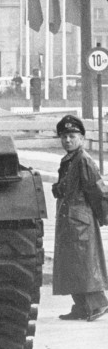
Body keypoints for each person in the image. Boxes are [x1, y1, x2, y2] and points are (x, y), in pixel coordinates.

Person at [51, 115, 108, 321]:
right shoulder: (68, 160)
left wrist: (104, 216)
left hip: (80, 221)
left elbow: (97, 190)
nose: (67, 140)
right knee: (71, 263)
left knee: (84, 262)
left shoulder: (83, 160)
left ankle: (98, 303)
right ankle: (81, 306)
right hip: (69, 219)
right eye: (64, 136)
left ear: (82, 138)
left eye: (72, 136)